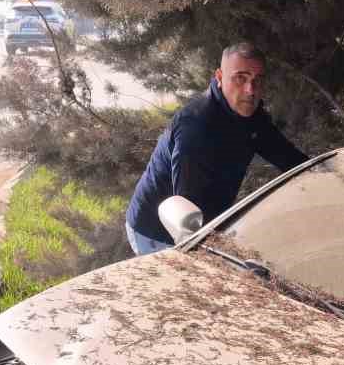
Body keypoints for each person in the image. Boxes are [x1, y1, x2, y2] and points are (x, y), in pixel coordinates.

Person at [125, 42, 309, 255]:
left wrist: (325, 176)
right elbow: (188, 215)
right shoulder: (196, 126)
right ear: (220, 78)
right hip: (156, 230)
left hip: (204, 217)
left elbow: (289, 158)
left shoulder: (251, 115)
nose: (250, 90)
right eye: (240, 78)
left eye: (257, 80)